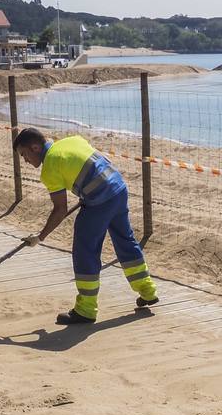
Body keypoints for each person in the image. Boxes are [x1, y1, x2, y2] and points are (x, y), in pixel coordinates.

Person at [13, 127, 158, 324]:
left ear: (35, 147)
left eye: (24, 155)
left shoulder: (49, 167)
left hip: (99, 200)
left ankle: (86, 309)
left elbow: (60, 210)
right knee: (126, 241)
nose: (26, 161)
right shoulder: (71, 140)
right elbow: (89, 166)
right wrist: (86, 192)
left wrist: (40, 237)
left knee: (85, 250)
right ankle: (147, 290)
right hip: (118, 189)